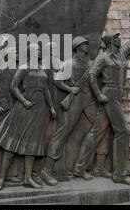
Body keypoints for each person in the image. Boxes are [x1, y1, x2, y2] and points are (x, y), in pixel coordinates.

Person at [88, 17, 130, 185]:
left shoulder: (121, 53)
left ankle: (79, 167)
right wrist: (99, 94)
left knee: (96, 132)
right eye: (116, 37)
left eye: (119, 37)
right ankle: (120, 174)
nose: (119, 39)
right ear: (110, 41)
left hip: (116, 95)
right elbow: (92, 75)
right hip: (109, 94)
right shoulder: (103, 57)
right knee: (122, 131)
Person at [0, 43, 56, 191]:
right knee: (12, 143)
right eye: (37, 49)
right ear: (30, 52)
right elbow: (13, 86)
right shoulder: (24, 67)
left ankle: (28, 178)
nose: (39, 51)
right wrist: (23, 100)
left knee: (33, 143)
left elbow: (46, 89)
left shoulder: (42, 68)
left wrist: (51, 106)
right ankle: (1, 178)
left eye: (40, 49)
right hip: (25, 107)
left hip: (40, 108)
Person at [40, 37, 100, 185]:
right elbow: (57, 81)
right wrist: (70, 89)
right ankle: (46, 170)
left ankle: (81, 168)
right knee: (62, 132)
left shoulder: (92, 63)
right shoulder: (69, 63)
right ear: (77, 47)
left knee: (98, 129)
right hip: (76, 99)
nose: (86, 46)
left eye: (87, 43)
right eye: (83, 44)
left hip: (90, 100)